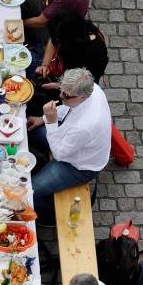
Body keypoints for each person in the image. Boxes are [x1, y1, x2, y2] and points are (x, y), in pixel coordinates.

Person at [25, 68, 112, 218]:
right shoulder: (90, 89)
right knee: (28, 129)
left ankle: (50, 214)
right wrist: (42, 119)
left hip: (78, 166)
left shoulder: (85, 126)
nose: (60, 96)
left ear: (83, 97)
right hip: (69, 138)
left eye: (65, 95)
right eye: (61, 90)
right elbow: (66, 107)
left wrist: (51, 121)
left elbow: (59, 153)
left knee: (30, 192)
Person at [34, 7, 109, 95]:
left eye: (59, 39)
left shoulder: (91, 55)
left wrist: (59, 86)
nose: (56, 40)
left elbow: (85, 85)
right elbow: (53, 41)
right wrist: (45, 65)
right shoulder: (76, 26)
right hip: (64, 74)